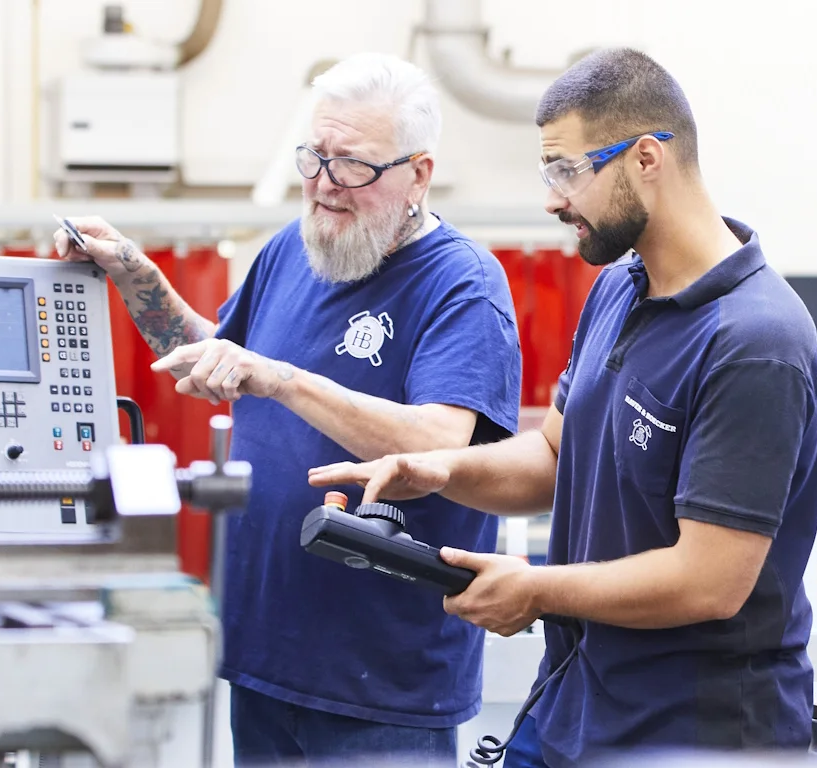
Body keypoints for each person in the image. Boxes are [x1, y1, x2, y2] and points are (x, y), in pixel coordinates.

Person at [310, 47, 817, 768]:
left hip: (691, 736)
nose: (553, 198)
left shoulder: (754, 338)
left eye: (568, 170)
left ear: (647, 157)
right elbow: (556, 453)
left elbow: (710, 580)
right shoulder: (619, 291)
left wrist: (535, 591)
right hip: (577, 708)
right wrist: (437, 469)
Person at [52, 53, 522, 766]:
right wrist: (135, 274)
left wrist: (281, 379)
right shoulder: (293, 251)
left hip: (380, 692)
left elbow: (439, 444)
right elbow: (221, 360)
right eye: (315, 157)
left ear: (418, 174)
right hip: (266, 660)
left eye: (354, 166)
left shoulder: (462, 286)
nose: (325, 185)